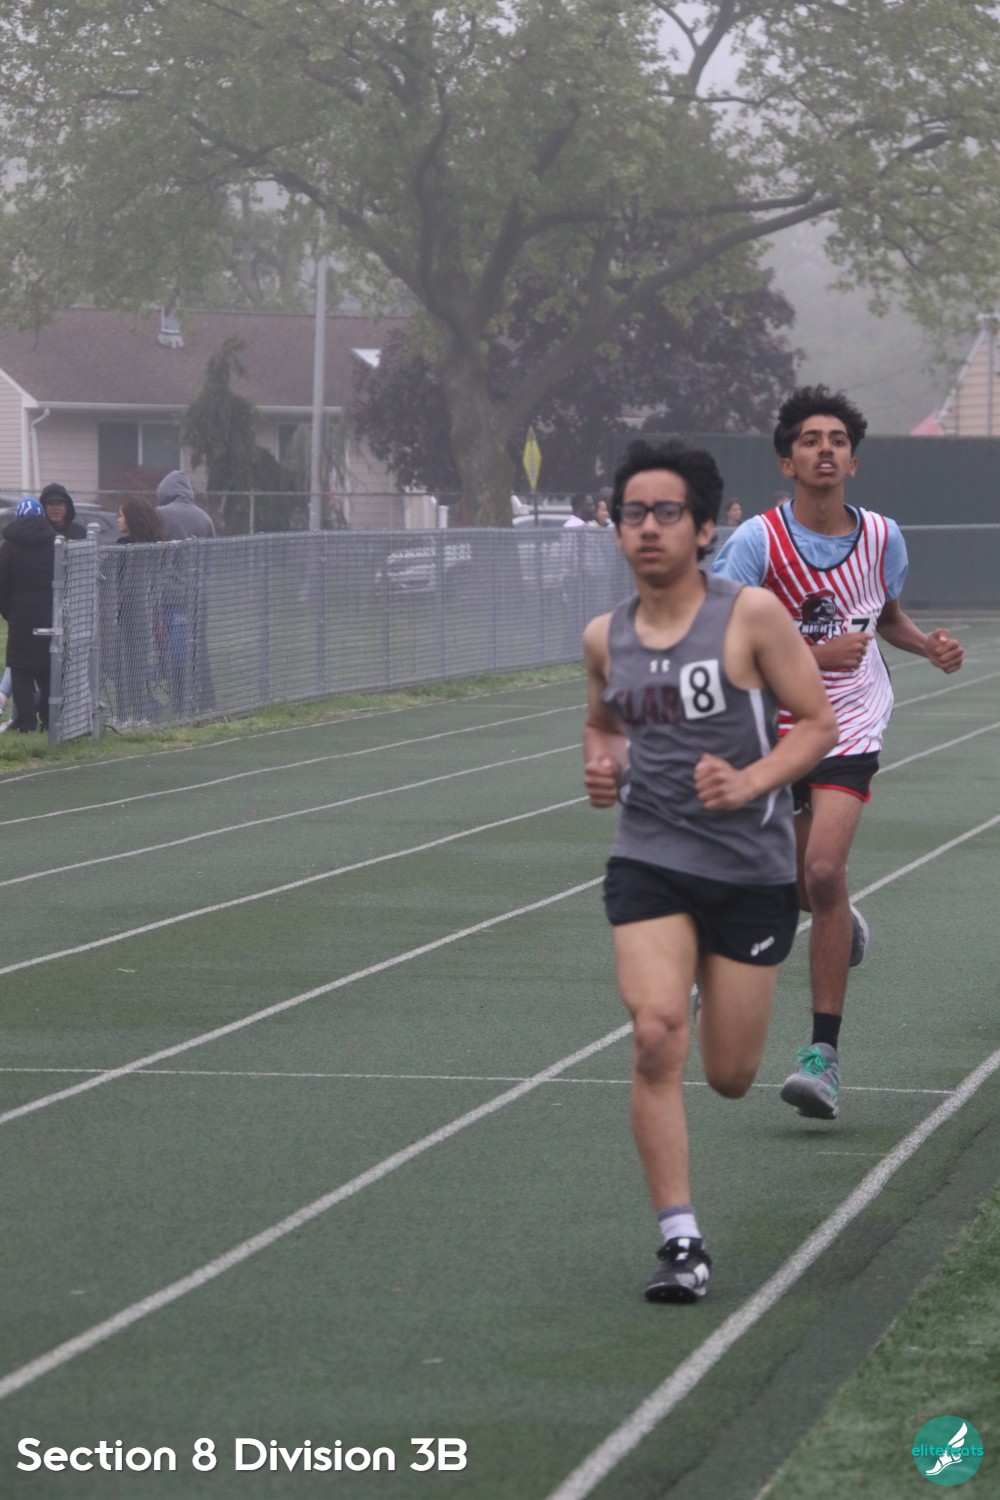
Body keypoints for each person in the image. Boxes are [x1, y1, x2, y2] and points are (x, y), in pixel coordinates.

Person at [583, 439, 837, 1302]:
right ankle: (681, 1242)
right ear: (617, 528)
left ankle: (711, 985)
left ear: (702, 528)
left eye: (667, 512)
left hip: (750, 869)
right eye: (634, 513)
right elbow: (604, 723)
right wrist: (603, 764)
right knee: (656, 1035)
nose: (649, 527)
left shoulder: (750, 616)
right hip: (649, 858)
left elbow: (817, 724)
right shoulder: (604, 637)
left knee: (729, 1076)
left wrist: (752, 781)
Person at [712, 386, 964, 1121]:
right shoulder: (757, 543)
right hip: (772, 724)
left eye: (837, 440)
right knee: (801, 885)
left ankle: (821, 1059)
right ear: (787, 462)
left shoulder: (883, 536)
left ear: (852, 461)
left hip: (850, 722)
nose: (825, 449)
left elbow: (883, 616)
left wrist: (926, 646)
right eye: (810, 440)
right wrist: (811, 656)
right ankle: (840, 921)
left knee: (824, 870)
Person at [153, 471, 216, 714]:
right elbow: (210, 559)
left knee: (172, 654)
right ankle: (204, 701)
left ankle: (180, 703)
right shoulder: (205, 519)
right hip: (198, 597)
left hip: (168, 597)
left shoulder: (160, 515)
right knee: (196, 649)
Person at [0, 498, 57, 733]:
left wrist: (8, 612)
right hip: (50, 613)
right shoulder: (53, 544)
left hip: (20, 616)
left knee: (20, 669)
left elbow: (2, 586)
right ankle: (49, 719)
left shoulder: (8, 547)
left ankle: (25, 722)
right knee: (48, 668)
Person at [112, 497, 166, 723]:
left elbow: (119, 582)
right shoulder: (154, 547)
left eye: (121, 516)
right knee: (134, 667)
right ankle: (136, 714)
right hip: (143, 612)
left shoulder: (126, 547)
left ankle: (132, 716)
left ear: (131, 519)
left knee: (128, 668)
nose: (118, 520)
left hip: (130, 613)